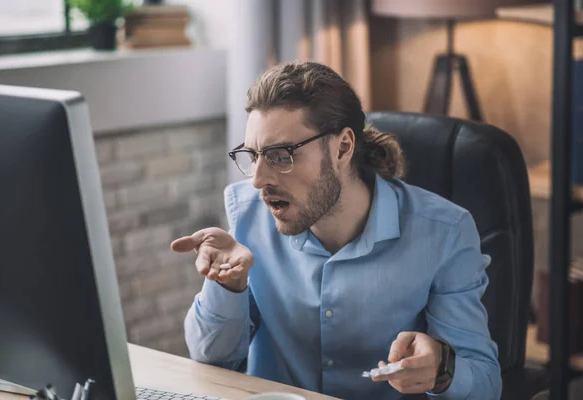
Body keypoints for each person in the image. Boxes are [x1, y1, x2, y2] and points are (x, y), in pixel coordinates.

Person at [171, 61, 501, 400]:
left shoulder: (445, 232)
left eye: (280, 155)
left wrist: (443, 369)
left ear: (343, 147)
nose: (258, 179)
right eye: (253, 155)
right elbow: (211, 360)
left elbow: (487, 384)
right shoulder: (248, 213)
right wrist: (228, 286)